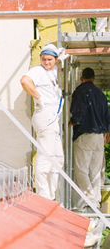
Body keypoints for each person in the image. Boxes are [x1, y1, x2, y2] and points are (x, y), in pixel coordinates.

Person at [20, 43, 64, 201]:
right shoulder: (38, 71)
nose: (46, 62)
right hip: (45, 115)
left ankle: (51, 195)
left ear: (56, 60)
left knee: (58, 158)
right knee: (46, 157)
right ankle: (43, 196)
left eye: (50, 59)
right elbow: (25, 81)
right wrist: (38, 98)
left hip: (53, 118)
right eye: (44, 59)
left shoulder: (54, 73)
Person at [69, 67, 110, 212]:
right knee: (95, 170)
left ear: (81, 78)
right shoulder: (100, 94)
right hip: (99, 136)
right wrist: (107, 133)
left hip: (84, 134)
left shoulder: (79, 92)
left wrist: (70, 123)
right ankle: (96, 201)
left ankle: (90, 200)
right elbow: (107, 117)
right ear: (93, 78)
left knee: (81, 170)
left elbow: (77, 114)